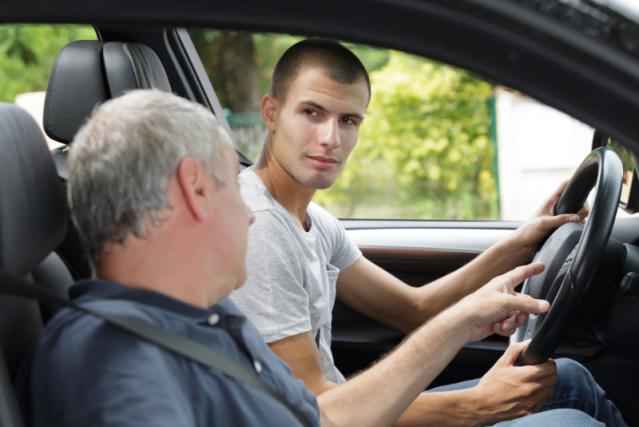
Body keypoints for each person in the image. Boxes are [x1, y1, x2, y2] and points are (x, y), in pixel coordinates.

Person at [23, 89, 587, 427]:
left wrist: (462, 320)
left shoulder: (204, 321)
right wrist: (471, 407)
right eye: (229, 185)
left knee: (569, 393)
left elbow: (325, 417)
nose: (245, 212)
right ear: (195, 188)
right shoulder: (113, 365)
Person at [229, 39, 627, 426]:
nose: (330, 138)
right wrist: (476, 406)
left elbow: (412, 310)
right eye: (312, 113)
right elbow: (318, 412)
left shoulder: (316, 221)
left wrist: (522, 242)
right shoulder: (259, 227)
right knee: (571, 420)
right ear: (271, 112)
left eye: (348, 120)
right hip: (335, 418)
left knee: (567, 378)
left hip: (350, 411)